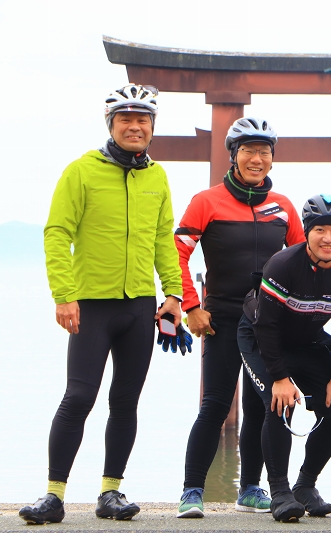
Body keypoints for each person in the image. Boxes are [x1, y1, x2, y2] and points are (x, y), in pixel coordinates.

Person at [20, 84, 184, 524]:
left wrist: (173, 295)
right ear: (111, 124)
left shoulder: (158, 176)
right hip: (90, 304)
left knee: (126, 401)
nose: (135, 126)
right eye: (125, 119)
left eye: (143, 120)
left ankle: (110, 492)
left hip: (139, 306)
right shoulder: (82, 170)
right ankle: (53, 495)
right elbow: (57, 232)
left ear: (152, 128)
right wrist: (64, 294)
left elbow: (161, 240)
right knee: (78, 397)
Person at [173, 117, 305, 518]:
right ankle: (192, 490)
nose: (256, 158)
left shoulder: (282, 207)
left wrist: (301, 317)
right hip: (221, 319)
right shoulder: (206, 201)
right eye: (248, 150)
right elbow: (175, 254)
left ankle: (250, 488)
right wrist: (192, 306)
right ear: (233, 155)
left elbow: (303, 262)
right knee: (214, 405)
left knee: (264, 404)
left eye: (264, 152)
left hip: (267, 324)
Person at [237, 195, 331, 522]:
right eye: (320, 230)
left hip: (306, 341)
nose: (328, 238)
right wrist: (280, 379)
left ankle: (305, 485)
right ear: (307, 232)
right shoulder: (283, 265)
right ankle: (280, 492)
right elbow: (266, 326)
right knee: (279, 401)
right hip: (260, 338)